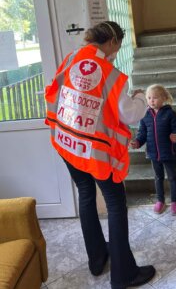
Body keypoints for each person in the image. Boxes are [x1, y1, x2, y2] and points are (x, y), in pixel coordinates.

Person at [44, 21, 155, 288]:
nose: (117, 50)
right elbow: (129, 114)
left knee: (85, 193)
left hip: (67, 142)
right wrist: (140, 97)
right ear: (113, 42)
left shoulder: (71, 59)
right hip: (95, 151)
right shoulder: (109, 73)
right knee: (116, 204)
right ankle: (124, 274)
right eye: (119, 45)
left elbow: (55, 92)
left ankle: (97, 258)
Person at [131, 84, 176, 215]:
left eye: (155, 98)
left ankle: (174, 201)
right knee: (158, 177)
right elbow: (142, 133)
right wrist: (137, 142)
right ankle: (160, 200)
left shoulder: (170, 114)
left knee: (172, 177)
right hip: (153, 154)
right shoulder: (145, 115)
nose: (151, 100)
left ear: (164, 98)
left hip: (169, 152)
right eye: (149, 98)